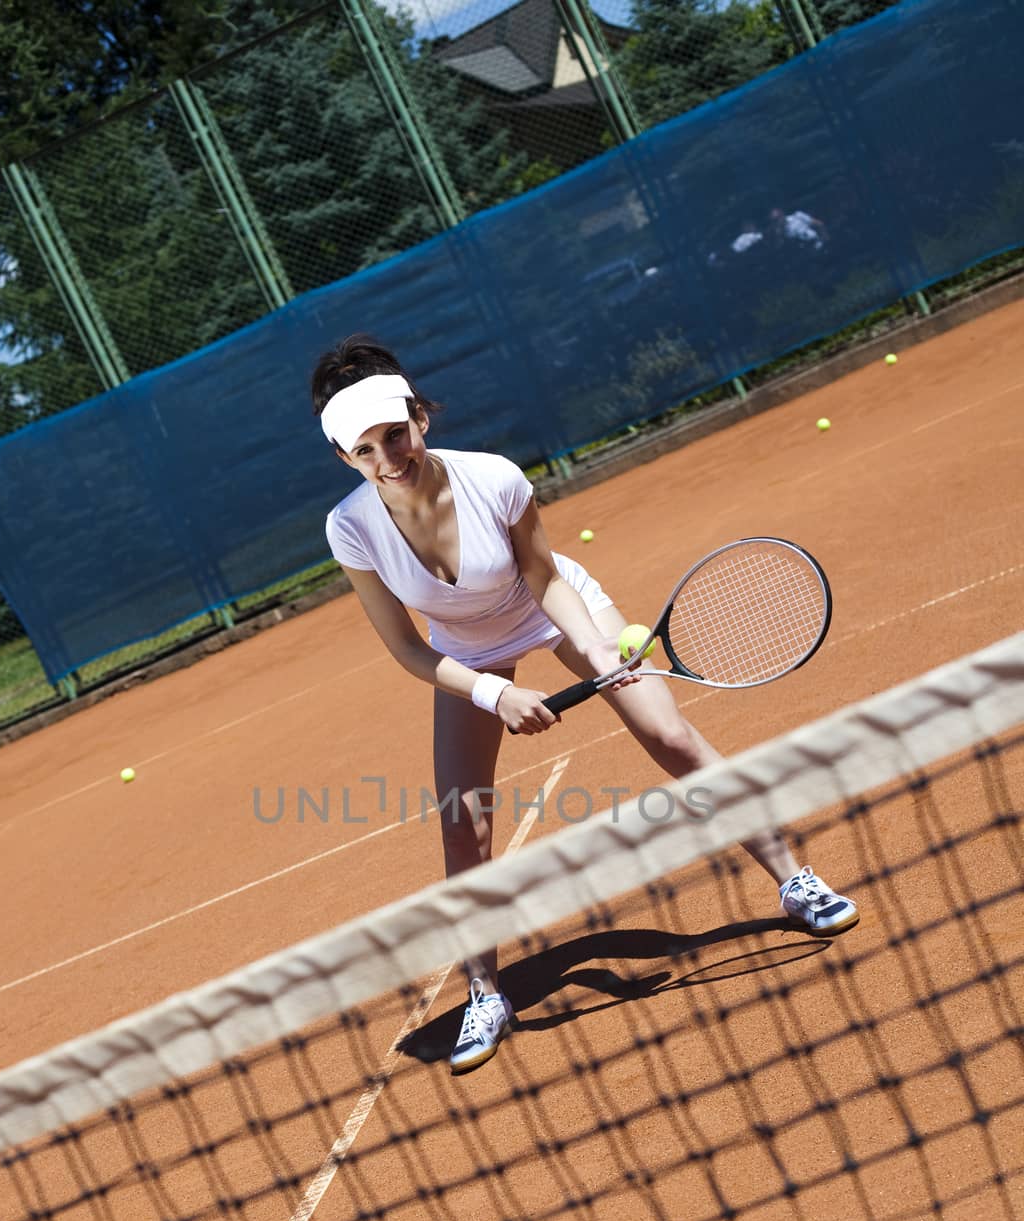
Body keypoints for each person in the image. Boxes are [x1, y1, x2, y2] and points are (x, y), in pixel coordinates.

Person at [312, 335, 858, 1071]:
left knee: (669, 737)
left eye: (395, 436)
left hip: (544, 608)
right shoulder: (351, 527)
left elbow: (546, 581)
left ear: (420, 419)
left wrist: (601, 655)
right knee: (462, 822)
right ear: (346, 458)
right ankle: (486, 994)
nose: (388, 460)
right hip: (469, 653)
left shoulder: (494, 479)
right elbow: (409, 651)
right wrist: (495, 691)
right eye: (366, 451)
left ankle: (795, 880)